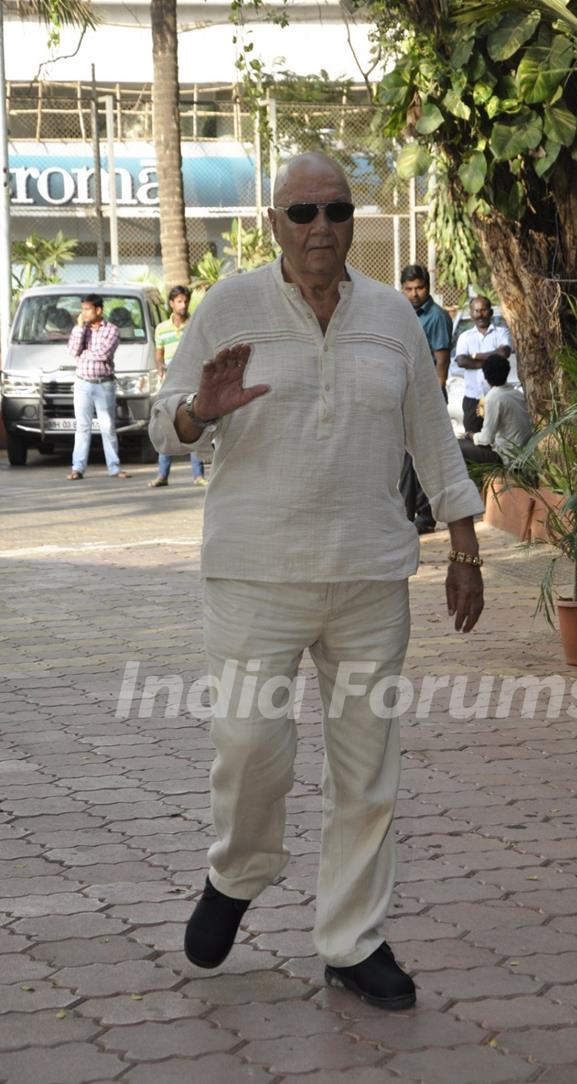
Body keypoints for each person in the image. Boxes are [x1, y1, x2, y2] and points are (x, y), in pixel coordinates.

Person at [149, 152, 485, 1012]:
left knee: (365, 770)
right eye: (303, 213)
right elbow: (166, 422)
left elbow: (430, 435)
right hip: (255, 574)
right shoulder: (229, 305)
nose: (322, 229)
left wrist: (464, 548)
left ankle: (351, 940)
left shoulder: (391, 319)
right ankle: (238, 873)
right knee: (251, 747)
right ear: (275, 224)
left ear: (351, 221)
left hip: (370, 575)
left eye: (336, 211)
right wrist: (200, 412)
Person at [399, 264, 453, 534]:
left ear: (428, 287)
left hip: (427, 395)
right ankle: (414, 513)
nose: (414, 293)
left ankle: (421, 514)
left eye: (419, 288)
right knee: (406, 456)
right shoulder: (401, 314)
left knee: (420, 456)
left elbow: (441, 360)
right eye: (408, 289)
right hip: (404, 393)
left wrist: (435, 395)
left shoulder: (436, 316)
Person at [148, 286, 207, 488]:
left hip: (192, 380)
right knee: (167, 424)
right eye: (179, 301)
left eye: (185, 301)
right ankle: (162, 475)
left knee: (192, 422)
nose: (182, 305)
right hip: (171, 383)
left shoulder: (195, 325)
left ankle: (198, 475)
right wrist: (160, 366)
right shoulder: (162, 328)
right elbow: (159, 352)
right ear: (171, 303)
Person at [66, 293, 128, 481]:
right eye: (82, 309)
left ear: (98, 310)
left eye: (87, 309)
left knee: (107, 426)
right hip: (82, 383)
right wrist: (78, 328)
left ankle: (114, 467)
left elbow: (103, 354)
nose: (84, 313)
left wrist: (84, 354)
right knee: (82, 427)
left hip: (103, 385)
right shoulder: (81, 330)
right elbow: (72, 351)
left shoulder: (111, 330)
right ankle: (78, 468)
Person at [459, 353, 532, 465]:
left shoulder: (493, 397)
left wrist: (470, 435)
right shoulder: (517, 393)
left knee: (458, 445)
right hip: (523, 453)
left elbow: (486, 439)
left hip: (506, 456)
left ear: (485, 376)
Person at [454, 296, 511, 435]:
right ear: (471, 313)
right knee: (472, 437)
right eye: (476, 310)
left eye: (484, 310)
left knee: (499, 437)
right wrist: (492, 359)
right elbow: (461, 361)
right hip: (473, 399)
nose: (480, 314)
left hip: (497, 397)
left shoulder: (501, 332)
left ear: (490, 312)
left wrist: (474, 356)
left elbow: (503, 353)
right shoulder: (465, 337)